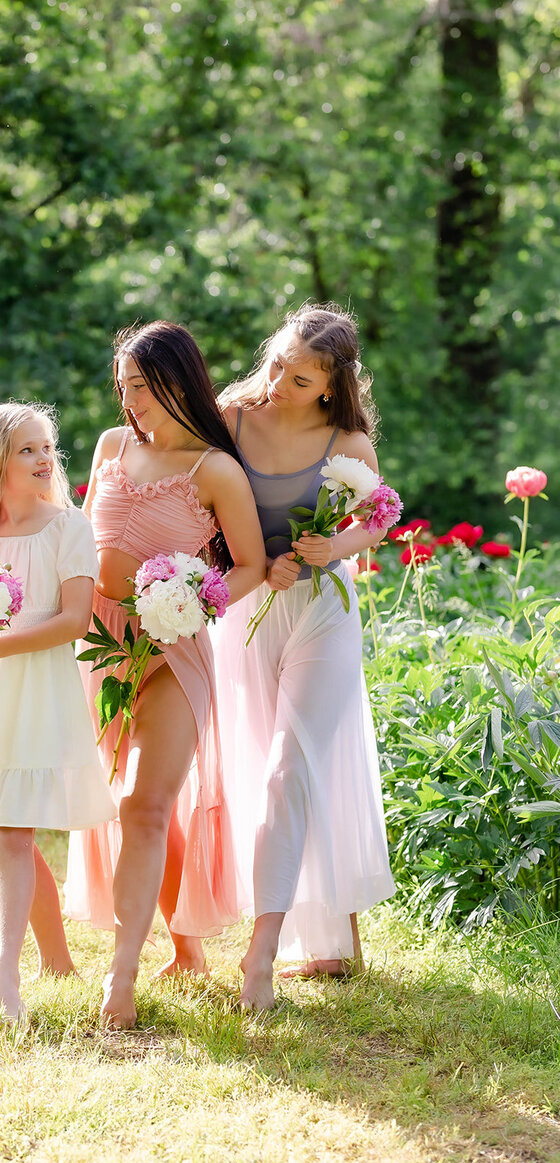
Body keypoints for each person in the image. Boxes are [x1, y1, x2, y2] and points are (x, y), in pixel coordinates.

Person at [64, 321, 267, 1028]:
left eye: (143, 388)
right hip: (99, 646)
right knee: (135, 801)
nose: (131, 403)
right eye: (123, 389)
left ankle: (120, 980)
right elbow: (84, 541)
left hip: (170, 652)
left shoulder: (215, 469)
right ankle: (186, 947)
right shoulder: (113, 447)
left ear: (181, 381)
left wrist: (193, 602)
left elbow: (249, 564)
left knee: (142, 805)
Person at [213, 303, 396, 1011]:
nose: (279, 380)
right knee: (268, 771)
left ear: (330, 384)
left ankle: (258, 958)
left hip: (324, 609)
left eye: (299, 377)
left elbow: (378, 517)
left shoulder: (346, 437)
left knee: (295, 763)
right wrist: (245, 561)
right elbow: (201, 500)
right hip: (252, 611)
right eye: (278, 362)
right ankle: (323, 937)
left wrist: (332, 547)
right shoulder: (231, 417)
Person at [0, 401, 116, 1020]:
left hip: (41, 685)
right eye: (28, 450)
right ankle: (57, 960)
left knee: (13, 829)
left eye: (48, 447)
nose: (45, 459)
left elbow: (73, 620)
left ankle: (4, 973)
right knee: (4, 827)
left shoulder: (67, 527)